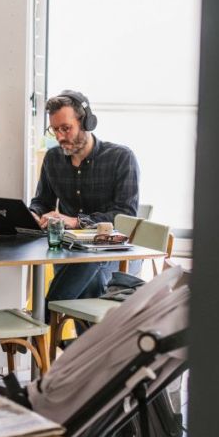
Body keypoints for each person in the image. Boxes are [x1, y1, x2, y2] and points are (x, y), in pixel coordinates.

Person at [28, 90, 140, 331]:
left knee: (91, 272)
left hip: (115, 255)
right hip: (70, 254)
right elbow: (42, 201)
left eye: (65, 128)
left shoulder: (121, 157)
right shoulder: (53, 159)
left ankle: (40, 321)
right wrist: (34, 214)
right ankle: (86, 358)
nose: (59, 136)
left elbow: (126, 215)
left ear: (86, 122)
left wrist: (76, 221)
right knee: (84, 270)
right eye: (54, 130)